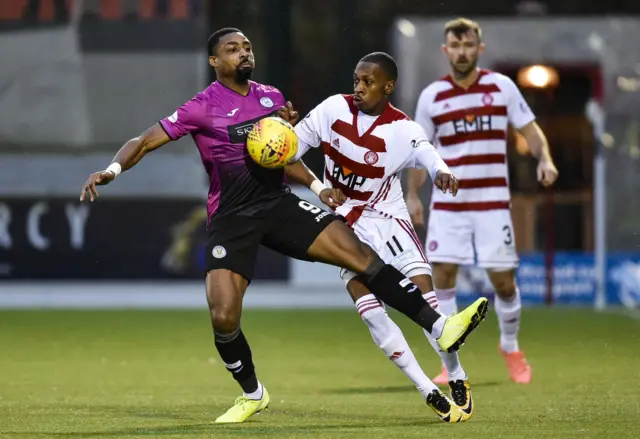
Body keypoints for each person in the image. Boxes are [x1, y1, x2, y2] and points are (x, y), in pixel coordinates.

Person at [79, 28, 489, 424]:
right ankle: (253, 393)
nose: (244, 53)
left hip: (277, 205)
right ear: (214, 60)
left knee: (359, 256)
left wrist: (316, 185)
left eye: (247, 46)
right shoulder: (201, 106)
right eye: (233, 48)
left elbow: (283, 151)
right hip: (231, 218)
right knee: (223, 316)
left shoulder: (271, 97)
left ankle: (440, 325)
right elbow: (147, 139)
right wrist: (112, 169)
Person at [286, 52, 475, 423]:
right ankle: (427, 389)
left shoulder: (402, 129)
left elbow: (427, 153)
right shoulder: (331, 110)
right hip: (345, 224)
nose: (358, 88)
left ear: (388, 87)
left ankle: (456, 375)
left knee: (426, 302)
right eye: (356, 80)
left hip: (387, 218)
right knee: (371, 313)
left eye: (367, 82)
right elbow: (288, 151)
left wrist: (442, 173)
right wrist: (316, 183)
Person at [406, 18, 559, 384]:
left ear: (479, 48)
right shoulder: (432, 96)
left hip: (492, 202)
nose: (462, 52)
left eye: (468, 45)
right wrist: (413, 194)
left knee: (504, 282)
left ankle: (510, 346)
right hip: (449, 203)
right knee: (442, 276)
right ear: (446, 51)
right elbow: (420, 151)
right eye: (455, 47)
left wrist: (545, 158)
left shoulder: (501, 87)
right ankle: (450, 361)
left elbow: (530, 130)